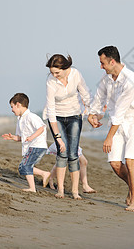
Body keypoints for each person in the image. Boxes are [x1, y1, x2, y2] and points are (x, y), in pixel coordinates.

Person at [88, 46, 134, 212]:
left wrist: (108, 137)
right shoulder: (106, 78)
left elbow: (120, 111)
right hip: (118, 123)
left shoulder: (131, 81)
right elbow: (99, 98)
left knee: (130, 161)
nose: (101, 66)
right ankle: (133, 187)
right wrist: (93, 114)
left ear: (112, 61)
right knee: (115, 163)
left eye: (102, 63)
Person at [44, 54, 91, 199]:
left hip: (75, 116)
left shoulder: (76, 74)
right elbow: (51, 110)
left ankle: (75, 191)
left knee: (73, 154)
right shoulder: (51, 82)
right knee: (62, 153)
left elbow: (85, 93)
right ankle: (61, 190)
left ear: (65, 68)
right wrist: (58, 138)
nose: (54, 75)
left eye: (57, 72)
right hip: (56, 117)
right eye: (52, 73)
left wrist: (89, 110)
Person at [2, 93, 51, 193]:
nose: (11, 110)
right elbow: (21, 138)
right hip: (30, 146)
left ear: (18, 105)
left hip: (37, 145)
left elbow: (41, 128)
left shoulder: (31, 116)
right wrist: (13, 137)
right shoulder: (20, 119)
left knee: (25, 166)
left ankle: (32, 188)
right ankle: (44, 174)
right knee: (22, 168)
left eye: (12, 107)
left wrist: (32, 137)